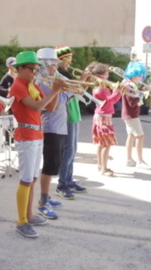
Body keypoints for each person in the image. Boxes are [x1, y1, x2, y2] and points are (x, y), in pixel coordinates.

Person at [9, 51, 64, 238]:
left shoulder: (31, 84)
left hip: (37, 134)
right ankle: (21, 221)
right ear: (20, 69)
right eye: (32, 69)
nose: (35, 72)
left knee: (32, 179)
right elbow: (35, 107)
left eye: (36, 69)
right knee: (26, 180)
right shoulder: (18, 85)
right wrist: (55, 90)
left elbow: (50, 107)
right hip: (26, 135)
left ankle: (30, 216)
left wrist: (58, 91)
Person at [34, 48, 68, 219]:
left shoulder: (50, 81)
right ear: (44, 65)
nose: (56, 67)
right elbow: (54, 105)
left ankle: (45, 196)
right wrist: (67, 91)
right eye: (53, 64)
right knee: (49, 166)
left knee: (54, 165)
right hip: (51, 128)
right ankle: (43, 202)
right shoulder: (43, 83)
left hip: (59, 127)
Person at [55, 45, 87, 194]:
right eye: (68, 59)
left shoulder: (66, 73)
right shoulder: (60, 75)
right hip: (67, 114)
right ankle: (62, 184)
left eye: (70, 58)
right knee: (68, 150)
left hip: (74, 114)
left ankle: (69, 180)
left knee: (73, 150)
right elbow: (72, 89)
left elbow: (79, 92)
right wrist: (82, 79)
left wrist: (83, 82)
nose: (70, 62)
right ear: (59, 59)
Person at [90, 62, 122, 177]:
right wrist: (117, 91)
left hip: (104, 115)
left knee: (101, 143)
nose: (107, 76)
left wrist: (119, 92)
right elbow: (109, 100)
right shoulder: (99, 89)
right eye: (106, 74)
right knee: (106, 144)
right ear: (100, 75)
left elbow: (113, 100)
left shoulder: (103, 87)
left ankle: (100, 165)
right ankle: (104, 168)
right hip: (103, 117)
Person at [121, 61, 151, 169]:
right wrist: (141, 95)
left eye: (141, 75)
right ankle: (140, 161)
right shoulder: (130, 86)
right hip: (131, 115)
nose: (140, 78)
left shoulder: (129, 84)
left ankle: (129, 160)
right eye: (139, 75)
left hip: (129, 114)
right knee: (140, 136)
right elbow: (132, 102)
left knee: (131, 136)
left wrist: (140, 92)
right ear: (133, 75)